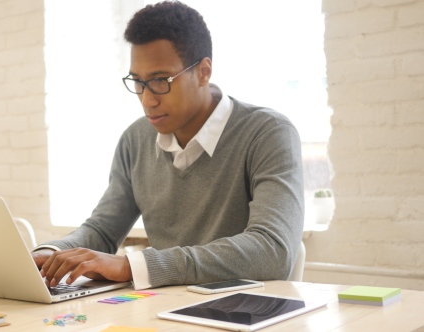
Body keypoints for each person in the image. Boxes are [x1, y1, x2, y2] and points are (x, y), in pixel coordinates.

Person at [32, 1, 304, 290]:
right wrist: (49, 254)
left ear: (203, 72)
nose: (147, 99)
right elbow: (101, 231)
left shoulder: (268, 133)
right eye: (137, 81)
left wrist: (134, 266)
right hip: (161, 309)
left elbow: (273, 251)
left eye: (160, 80)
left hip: (241, 313)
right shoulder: (135, 140)